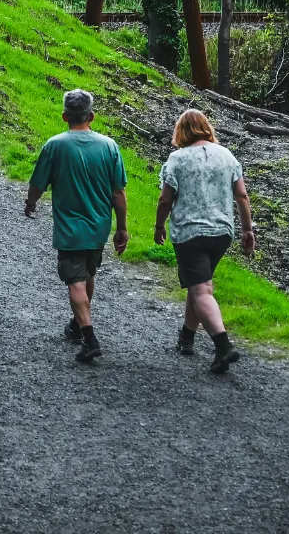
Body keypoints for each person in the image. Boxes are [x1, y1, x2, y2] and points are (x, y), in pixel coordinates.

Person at [25, 89, 128, 363]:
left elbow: (38, 183)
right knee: (87, 275)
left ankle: (89, 337)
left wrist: (31, 202)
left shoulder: (55, 145)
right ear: (91, 116)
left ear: (64, 116)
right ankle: (77, 325)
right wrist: (122, 227)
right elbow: (118, 192)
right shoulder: (109, 147)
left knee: (75, 281)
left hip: (70, 228)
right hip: (98, 227)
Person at [153, 109, 255, 374]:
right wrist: (247, 230)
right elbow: (242, 196)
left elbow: (166, 199)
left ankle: (222, 345)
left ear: (181, 132)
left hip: (190, 233)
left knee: (201, 290)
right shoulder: (227, 156)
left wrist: (159, 225)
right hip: (222, 233)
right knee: (199, 284)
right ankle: (187, 336)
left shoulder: (178, 159)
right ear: (207, 128)